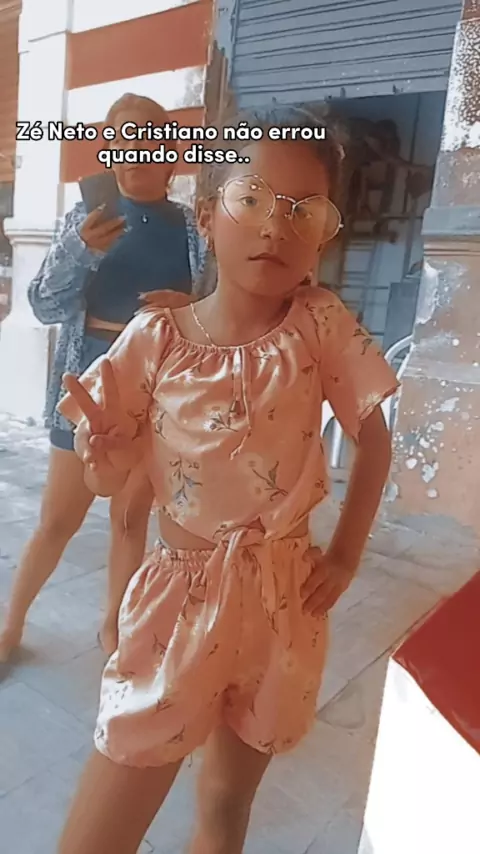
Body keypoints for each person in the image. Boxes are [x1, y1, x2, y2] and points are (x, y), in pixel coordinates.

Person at [55, 107, 398, 854]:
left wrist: (345, 554)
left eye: (304, 210)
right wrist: (104, 460)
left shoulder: (319, 325)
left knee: (226, 802)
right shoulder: (157, 339)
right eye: (253, 199)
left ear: (322, 235)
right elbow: (113, 474)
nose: (277, 226)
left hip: (284, 600)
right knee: (101, 827)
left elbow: (374, 438)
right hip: (179, 603)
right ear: (209, 218)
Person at [0, 93, 204, 666]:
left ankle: (114, 629)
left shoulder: (193, 229)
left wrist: (188, 308)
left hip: (158, 392)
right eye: (124, 138)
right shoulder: (84, 220)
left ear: (171, 152)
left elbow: (216, 314)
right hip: (86, 389)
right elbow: (43, 305)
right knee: (57, 520)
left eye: (150, 138)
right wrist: (79, 251)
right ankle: (11, 624)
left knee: (130, 519)